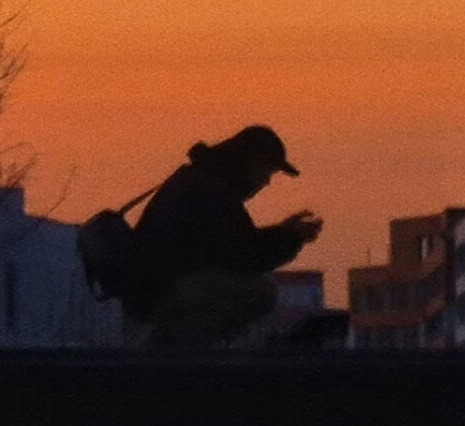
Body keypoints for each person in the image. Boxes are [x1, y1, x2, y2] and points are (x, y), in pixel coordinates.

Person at [121, 124, 323, 349]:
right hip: (158, 288)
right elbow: (243, 256)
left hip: (150, 285)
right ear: (252, 161)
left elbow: (235, 244)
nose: (266, 182)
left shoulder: (203, 180)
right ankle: (169, 350)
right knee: (260, 294)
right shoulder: (212, 190)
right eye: (267, 172)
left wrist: (285, 233)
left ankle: (167, 347)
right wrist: (291, 237)